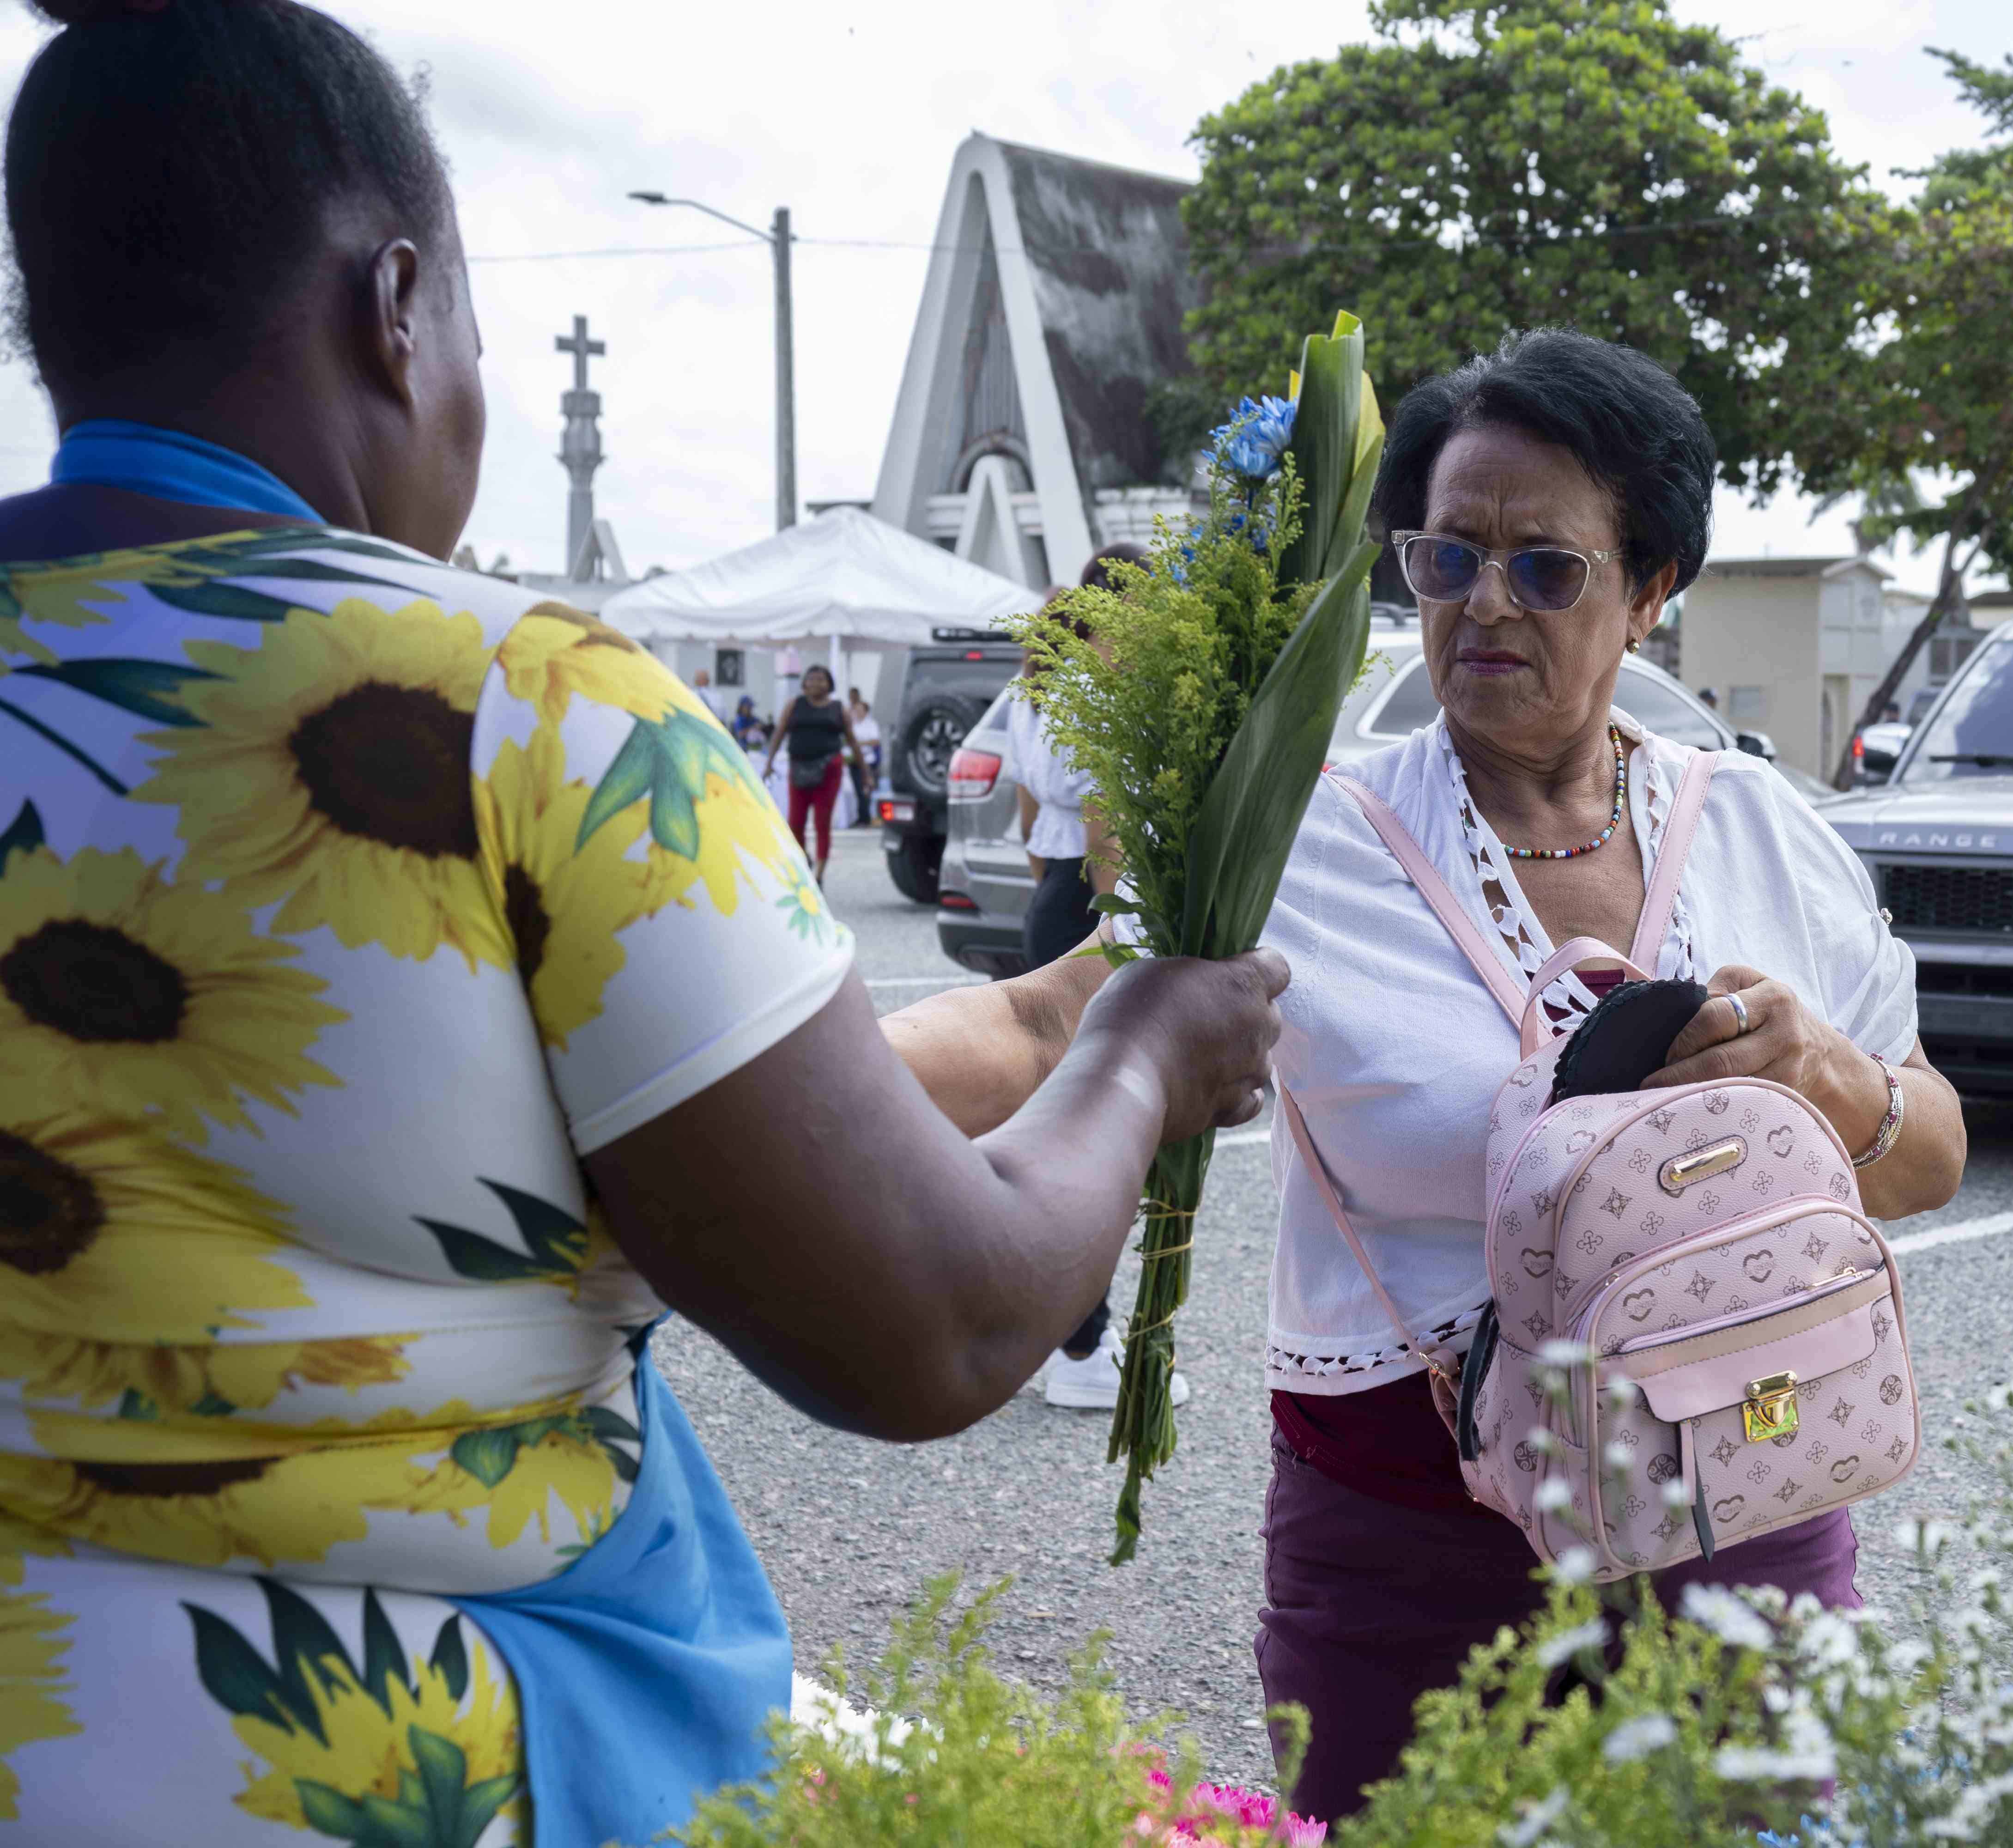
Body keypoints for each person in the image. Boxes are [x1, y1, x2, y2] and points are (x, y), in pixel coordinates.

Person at [0, 6, 1285, 1843]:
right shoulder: (520, 707)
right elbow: (930, 1324)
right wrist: (1146, 1052)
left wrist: (1040, 1021)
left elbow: (527, 1139)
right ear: (398, 306)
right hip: (385, 1772)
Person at [887, 329, 1966, 1819]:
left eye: (1546, 569)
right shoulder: (1306, 840)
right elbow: (1045, 1021)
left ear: (1652, 591)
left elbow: (1930, 1152)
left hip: (1742, 1494)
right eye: (1445, 559)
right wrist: (784, 1080)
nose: (1482, 606)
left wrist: (1829, 1079)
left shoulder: (1765, 835)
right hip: (1411, 1527)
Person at [1004, 545, 1175, 1409]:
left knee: (1052, 1126)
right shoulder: (1102, 686)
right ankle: (1085, 1350)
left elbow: (1032, 815)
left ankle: (1068, 1341)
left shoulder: (1036, 682)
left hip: (1049, 903)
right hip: (1094, 910)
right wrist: (1120, 929)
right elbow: (1108, 819)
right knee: (1102, 1135)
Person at [763, 663, 851, 881]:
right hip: (799, 769)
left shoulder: (839, 708)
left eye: (821, 679)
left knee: (823, 823)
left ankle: (819, 874)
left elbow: (853, 741)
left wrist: (866, 773)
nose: (816, 683)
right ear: (804, 684)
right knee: (795, 822)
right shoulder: (794, 705)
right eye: (811, 679)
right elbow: (780, 733)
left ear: (829, 684)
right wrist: (769, 762)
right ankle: (804, 859)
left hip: (829, 770)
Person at [848, 686, 881, 828]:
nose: (858, 712)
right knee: (857, 790)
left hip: (868, 761)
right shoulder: (853, 725)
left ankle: (866, 818)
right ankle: (861, 817)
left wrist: (859, 744)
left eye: (861, 710)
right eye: (856, 710)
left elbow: (876, 741)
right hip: (854, 761)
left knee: (866, 789)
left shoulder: (871, 724)